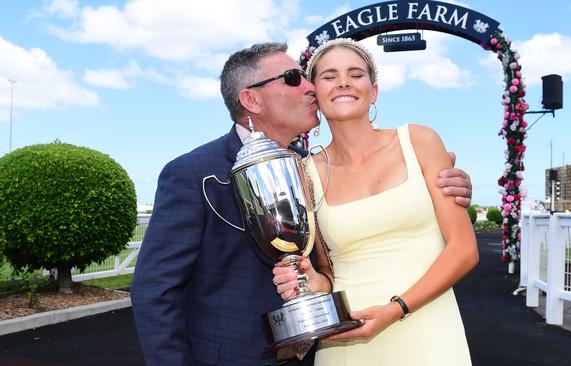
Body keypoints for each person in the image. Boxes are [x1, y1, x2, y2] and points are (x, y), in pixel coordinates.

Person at [131, 42, 474, 366]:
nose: (310, 88)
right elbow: (155, 289)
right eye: (296, 79)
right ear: (251, 99)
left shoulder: (305, 167)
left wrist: (433, 190)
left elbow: (323, 265)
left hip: (329, 345)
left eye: (355, 74)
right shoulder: (194, 172)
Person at [273, 38, 478, 365]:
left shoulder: (419, 141)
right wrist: (313, 281)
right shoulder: (305, 172)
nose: (343, 82)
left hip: (428, 328)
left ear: (374, 91)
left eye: (355, 74)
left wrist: (396, 309)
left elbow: (464, 250)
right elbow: (329, 271)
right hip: (347, 339)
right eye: (329, 76)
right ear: (316, 94)